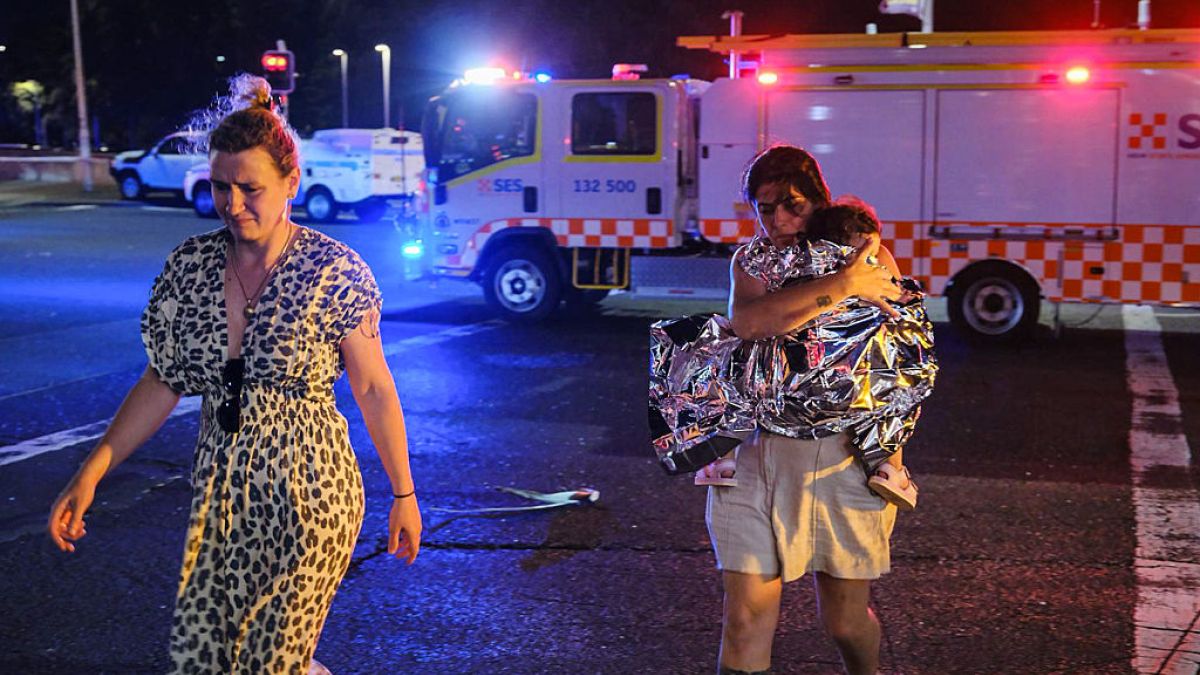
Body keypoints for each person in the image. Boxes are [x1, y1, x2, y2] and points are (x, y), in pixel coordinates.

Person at [46, 75, 422, 675]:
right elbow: (162, 379)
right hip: (221, 497)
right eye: (222, 187)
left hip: (311, 497)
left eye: (251, 188)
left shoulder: (336, 272)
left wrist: (403, 495)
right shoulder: (190, 265)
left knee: (270, 663)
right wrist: (93, 469)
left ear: (291, 184)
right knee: (206, 662)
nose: (234, 203)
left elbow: (374, 388)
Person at [707, 145, 903, 675]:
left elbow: (898, 357)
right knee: (745, 621)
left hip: (842, 455)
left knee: (843, 623)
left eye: (791, 205)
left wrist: (894, 454)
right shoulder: (750, 261)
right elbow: (749, 322)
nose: (778, 221)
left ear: (818, 199)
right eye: (764, 209)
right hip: (756, 454)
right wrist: (840, 287)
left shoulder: (866, 253)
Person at [696, 197, 932, 511]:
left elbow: (751, 324)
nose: (778, 220)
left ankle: (722, 458)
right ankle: (890, 467)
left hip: (789, 374)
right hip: (855, 376)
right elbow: (895, 303)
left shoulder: (788, 266)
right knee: (896, 389)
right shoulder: (867, 265)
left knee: (729, 370)